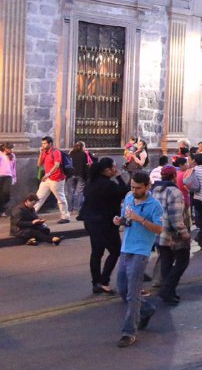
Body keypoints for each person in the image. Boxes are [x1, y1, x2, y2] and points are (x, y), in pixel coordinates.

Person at [113, 171, 163, 348]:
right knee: (122, 289)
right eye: (132, 187)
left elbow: (158, 229)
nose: (134, 191)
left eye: (138, 188)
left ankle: (129, 332)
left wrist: (140, 219)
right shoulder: (129, 197)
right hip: (126, 248)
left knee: (133, 293)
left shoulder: (155, 205)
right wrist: (120, 220)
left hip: (141, 251)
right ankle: (147, 309)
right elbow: (126, 220)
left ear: (147, 186)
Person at [82, 157, 129, 294]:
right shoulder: (108, 185)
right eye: (114, 167)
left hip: (91, 221)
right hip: (105, 223)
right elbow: (125, 191)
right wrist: (119, 177)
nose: (116, 169)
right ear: (108, 170)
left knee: (97, 252)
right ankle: (104, 280)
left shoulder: (90, 183)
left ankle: (96, 282)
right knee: (115, 250)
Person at [151, 166, 191, 305]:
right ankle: (166, 290)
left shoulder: (154, 190)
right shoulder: (174, 192)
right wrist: (184, 233)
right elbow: (176, 218)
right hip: (173, 235)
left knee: (166, 262)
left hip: (159, 233)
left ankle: (169, 292)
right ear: (174, 176)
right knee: (182, 262)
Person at [33, 136, 70, 223]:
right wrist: (41, 153)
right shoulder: (45, 152)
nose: (43, 145)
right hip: (47, 179)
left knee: (60, 198)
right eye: (42, 143)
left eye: (45, 143)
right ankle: (31, 215)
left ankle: (65, 217)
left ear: (50, 144)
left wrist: (48, 174)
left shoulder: (56, 152)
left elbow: (57, 165)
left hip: (57, 178)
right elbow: (39, 164)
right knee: (39, 197)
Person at [68, 141, 91, 215]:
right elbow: (86, 165)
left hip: (71, 175)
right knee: (79, 192)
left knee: (71, 192)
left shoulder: (71, 153)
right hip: (80, 175)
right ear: (82, 147)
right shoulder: (83, 154)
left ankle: (70, 209)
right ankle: (79, 209)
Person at [0, 142, 16, 217]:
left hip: (8, 176)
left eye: (11, 148)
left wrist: (14, 177)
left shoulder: (12, 156)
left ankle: (2, 210)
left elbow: (13, 167)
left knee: (6, 193)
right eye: (9, 148)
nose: (10, 150)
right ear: (5, 148)